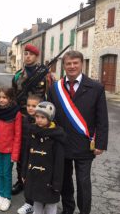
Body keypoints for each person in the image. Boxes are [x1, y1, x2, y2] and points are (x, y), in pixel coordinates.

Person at [47, 50, 109, 214]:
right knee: (65, 181)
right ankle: (68, 209)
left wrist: (101, 143)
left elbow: (102, 118)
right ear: (64, 65)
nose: (72, 66)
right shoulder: (54, 89)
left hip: (85, 144)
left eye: (75, 63)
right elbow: (50, 116)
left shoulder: (96, 88)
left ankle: (84, 211)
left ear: (82, 64)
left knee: (83, 182)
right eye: (68, 63)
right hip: (62, 143)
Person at [11, 44, 54, 195]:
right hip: (22, 118)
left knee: (39, 151)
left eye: (31, 54)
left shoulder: (45, 75)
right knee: (21, 149)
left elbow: (51, 97)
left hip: (40, 119)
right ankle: (20, 179)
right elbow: (13, 97)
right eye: (26, 53)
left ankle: (36, 181)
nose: (27, 56)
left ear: (36, 56)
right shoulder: (17, 75)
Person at [22, 101, 66, 214]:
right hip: (34, 176)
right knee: (37, 201)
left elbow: (59, 162)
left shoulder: (56, 136)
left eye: (42, 117)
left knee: (51, 204)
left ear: (50, 118)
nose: (39, 120)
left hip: (49, 179)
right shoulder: (32, 132)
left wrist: (56, 183)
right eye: (37, 116)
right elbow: (26, 155)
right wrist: (24, 173)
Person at [0, 87, 22, 212]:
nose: (1, 100)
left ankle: (7, 197)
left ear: (10, 98)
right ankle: (1, 194)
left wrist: (15, 154)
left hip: (9, 150)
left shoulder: (16, 113)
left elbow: (18, 135)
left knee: (7, 174)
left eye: (5, 97)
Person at [17, 94, 42, 214]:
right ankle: (28, 203)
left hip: (38, 156)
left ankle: (39, 203)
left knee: (38, 180)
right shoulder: (23, 119)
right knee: (26, 178)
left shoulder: (42, 121)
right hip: (25, 155)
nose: (30, 108)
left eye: (34, 106)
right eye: (28, 105)